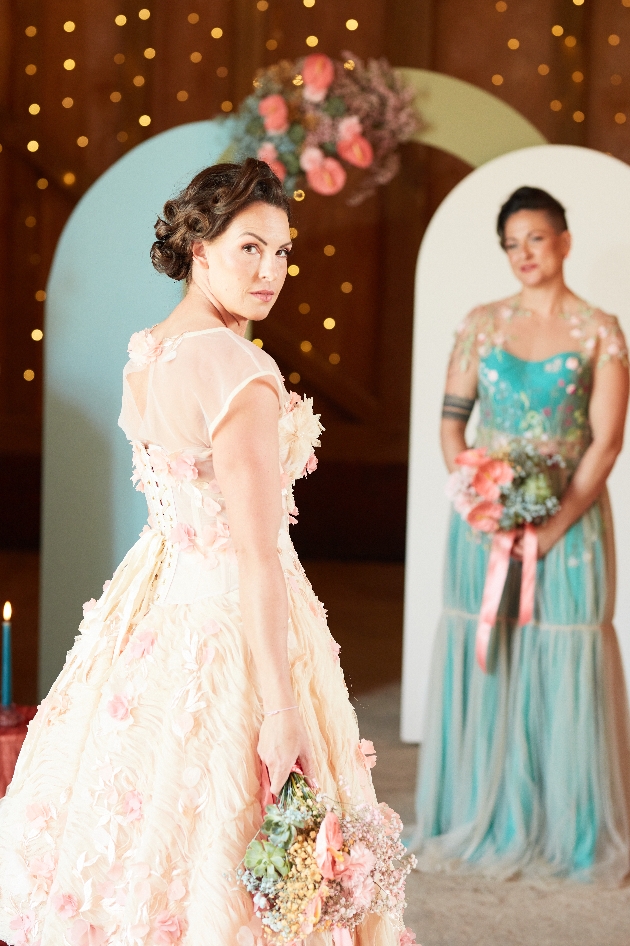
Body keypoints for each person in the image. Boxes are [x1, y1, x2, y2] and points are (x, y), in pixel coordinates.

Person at [0, 160, 403, 945]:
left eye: (283, 253)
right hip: (228, 618)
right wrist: (282, 710)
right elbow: (256, 554)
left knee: (146, 824)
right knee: (233, 831)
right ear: (199, 247)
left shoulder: (149, 351)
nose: (271, 271)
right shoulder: (240, 369)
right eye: (250, 248)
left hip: (156, 606)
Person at [412, 186, 630, 881]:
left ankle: (571, 828)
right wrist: (479, 500)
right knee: (491, 653)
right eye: (511, 243)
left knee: (564, 655)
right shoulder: (482, 324)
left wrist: (555, 521)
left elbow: (605, 442)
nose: (523, 254)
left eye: (535, 238)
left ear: (564, 241)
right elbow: (452, 424)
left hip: (571, 526)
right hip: (486, 527)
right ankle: (479, 809)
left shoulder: (601, 331)